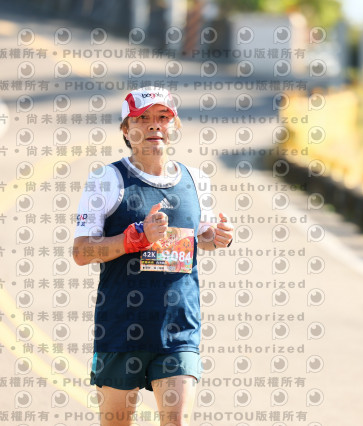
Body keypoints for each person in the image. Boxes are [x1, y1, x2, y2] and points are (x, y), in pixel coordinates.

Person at [72, 86, 233, 426]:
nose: (154, 125)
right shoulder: (107, 179)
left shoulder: (196, 179)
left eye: (163, 117)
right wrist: (134, 238)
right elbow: (82, 251)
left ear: (174, 125)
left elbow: (201, 236)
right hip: (120, 328)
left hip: (178, 329)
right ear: (125, 129)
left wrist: (217, 237)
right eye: (142, 118)